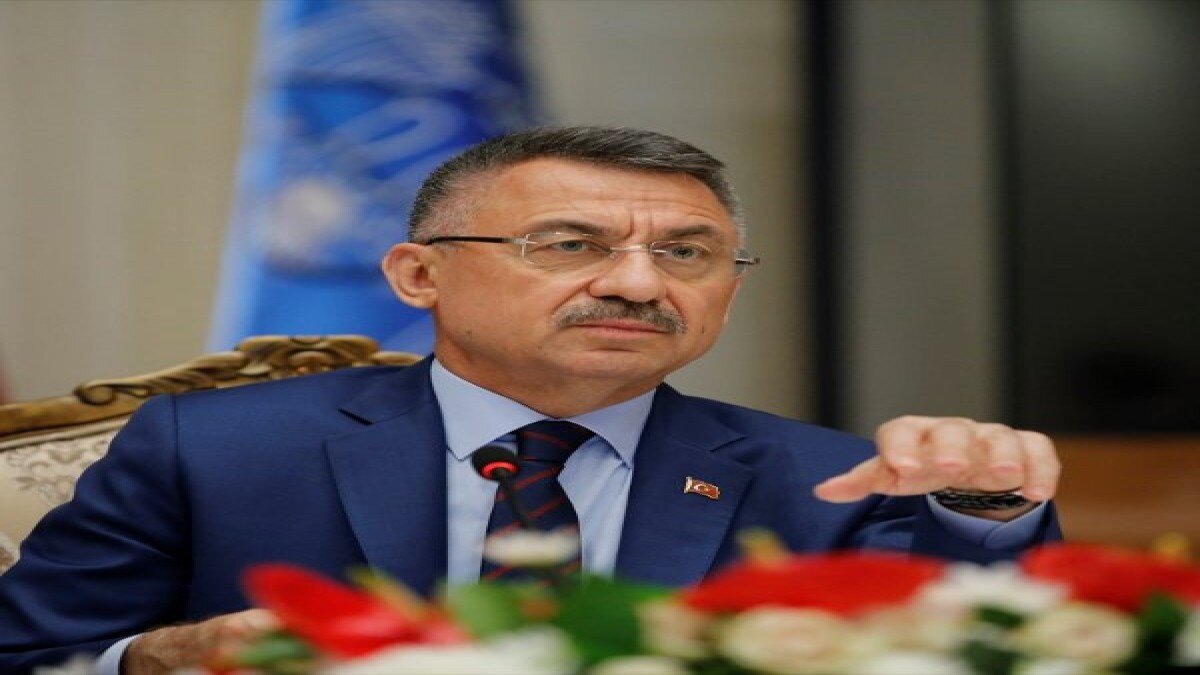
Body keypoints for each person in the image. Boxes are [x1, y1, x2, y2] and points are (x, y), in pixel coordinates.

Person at [0, 126, 1061, 673]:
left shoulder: (822, 479)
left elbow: (976, 652)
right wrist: (153, 658)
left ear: (730, 288)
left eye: (687, 254)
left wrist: (985, 504)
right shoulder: (212, 449)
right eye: (570, 245)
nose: (638, 284)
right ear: (420, 274)